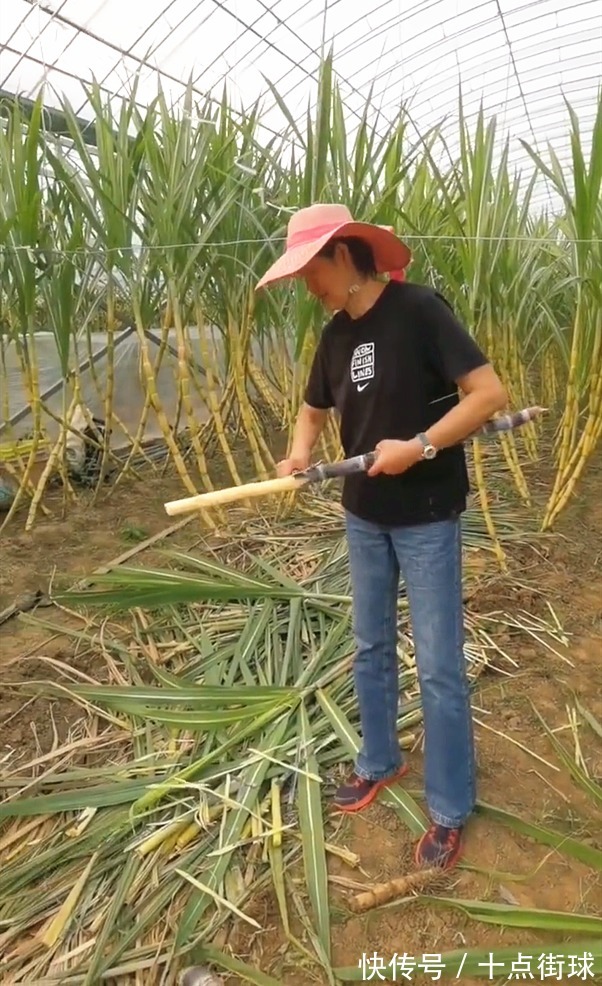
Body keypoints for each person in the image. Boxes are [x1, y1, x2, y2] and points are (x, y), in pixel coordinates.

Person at [255, 204, 507, 869]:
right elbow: (313, 409)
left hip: (426, 514)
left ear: (343, 255)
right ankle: (380, 761)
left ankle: (450, 809)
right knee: (370, 648)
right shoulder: (335, 335)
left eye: (311, 271)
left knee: (440, 666)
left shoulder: (420, 310)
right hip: (363, 514)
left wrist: (419, 446)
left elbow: (486, 393)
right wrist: (298, 453)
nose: (308, 287)